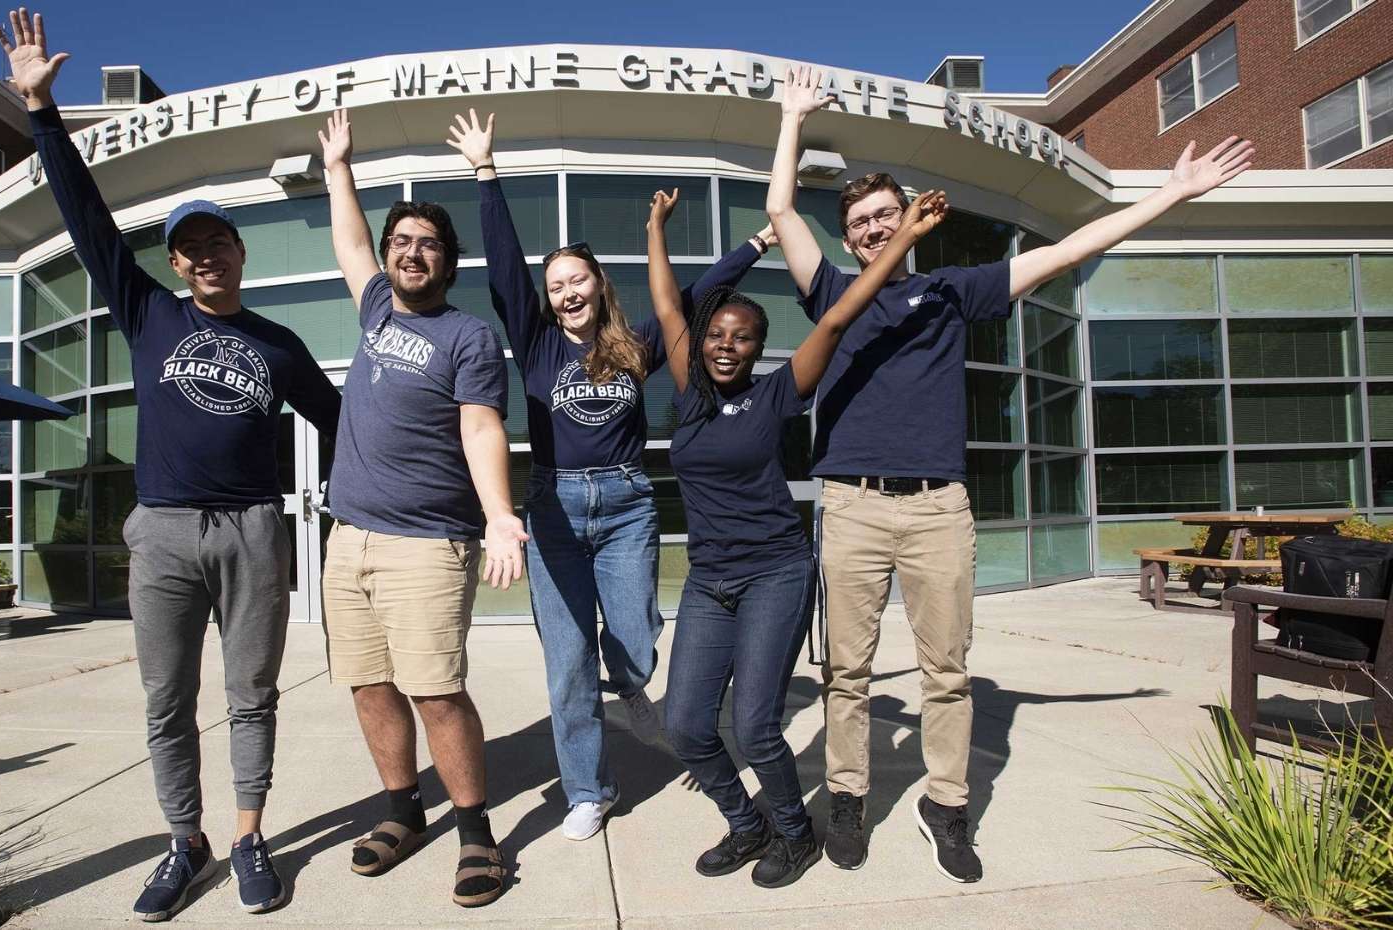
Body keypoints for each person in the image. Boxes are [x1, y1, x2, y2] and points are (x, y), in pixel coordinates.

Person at [764, 66, 1254, 883]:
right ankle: (846, 795)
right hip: (851, 504)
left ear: (908, 219)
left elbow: (1065, 250)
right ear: (849, 237)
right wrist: (792, 120)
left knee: (945, 670)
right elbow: (781, 209)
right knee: (845, 668)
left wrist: (1169, 197)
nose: (878, 228)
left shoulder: (955, 292)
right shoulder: (833, 296)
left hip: (936, 509)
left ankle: (945, 806)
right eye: (863, 221)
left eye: (887, 214)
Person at [0, 8, 344, 920]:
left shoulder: (276, 342)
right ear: (179, 264)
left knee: (251, 695)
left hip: (256, 528)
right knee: (165, 701)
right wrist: (43, 115)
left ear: (238, 250)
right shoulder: (149, 313)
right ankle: (183, 841)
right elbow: (87, 220)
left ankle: (249, 835)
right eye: (188, 250)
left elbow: (340, 420)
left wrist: (355, 502)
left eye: (216, 243)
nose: (203, 258)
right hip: (164, 528)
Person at [445, 109, 778, 841]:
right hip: (554, 508)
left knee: (634, 636)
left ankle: (630, 684)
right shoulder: (534, 344)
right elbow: (504, 270)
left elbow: (695, 296)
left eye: (577, 279)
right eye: (555, 283)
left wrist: (755, 243)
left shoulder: (636, 345)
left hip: (627, 502)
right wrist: (486, 173)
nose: (566, 291)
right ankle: (589, 790)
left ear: (599, 283)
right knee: (566, 663)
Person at [649, 181, 947, 889]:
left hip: (776, 573)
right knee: (687, 726)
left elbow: (840, 317)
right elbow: (667, 303)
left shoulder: (776, 392)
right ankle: (747, 825)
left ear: (758, 347)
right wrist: (656, 227)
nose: (726, 346)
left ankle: (795, 833)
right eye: (717, 333)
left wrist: (902, 240)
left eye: (742, 337)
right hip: (709, 580)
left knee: (754, 727)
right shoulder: (689, 390)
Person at [318, 107, 526, 909]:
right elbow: (348, 243)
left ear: (448, 261)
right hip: (351, 540)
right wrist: (340, 168)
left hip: (428, 544)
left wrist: (500, 514)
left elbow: (480, 427)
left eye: (427, 243)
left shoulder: (467, 336)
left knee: (436, 690)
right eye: (401, 241)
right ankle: (404, 813)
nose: (410, 252)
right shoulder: (374, 309)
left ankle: (477, 833)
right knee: (370, 686)